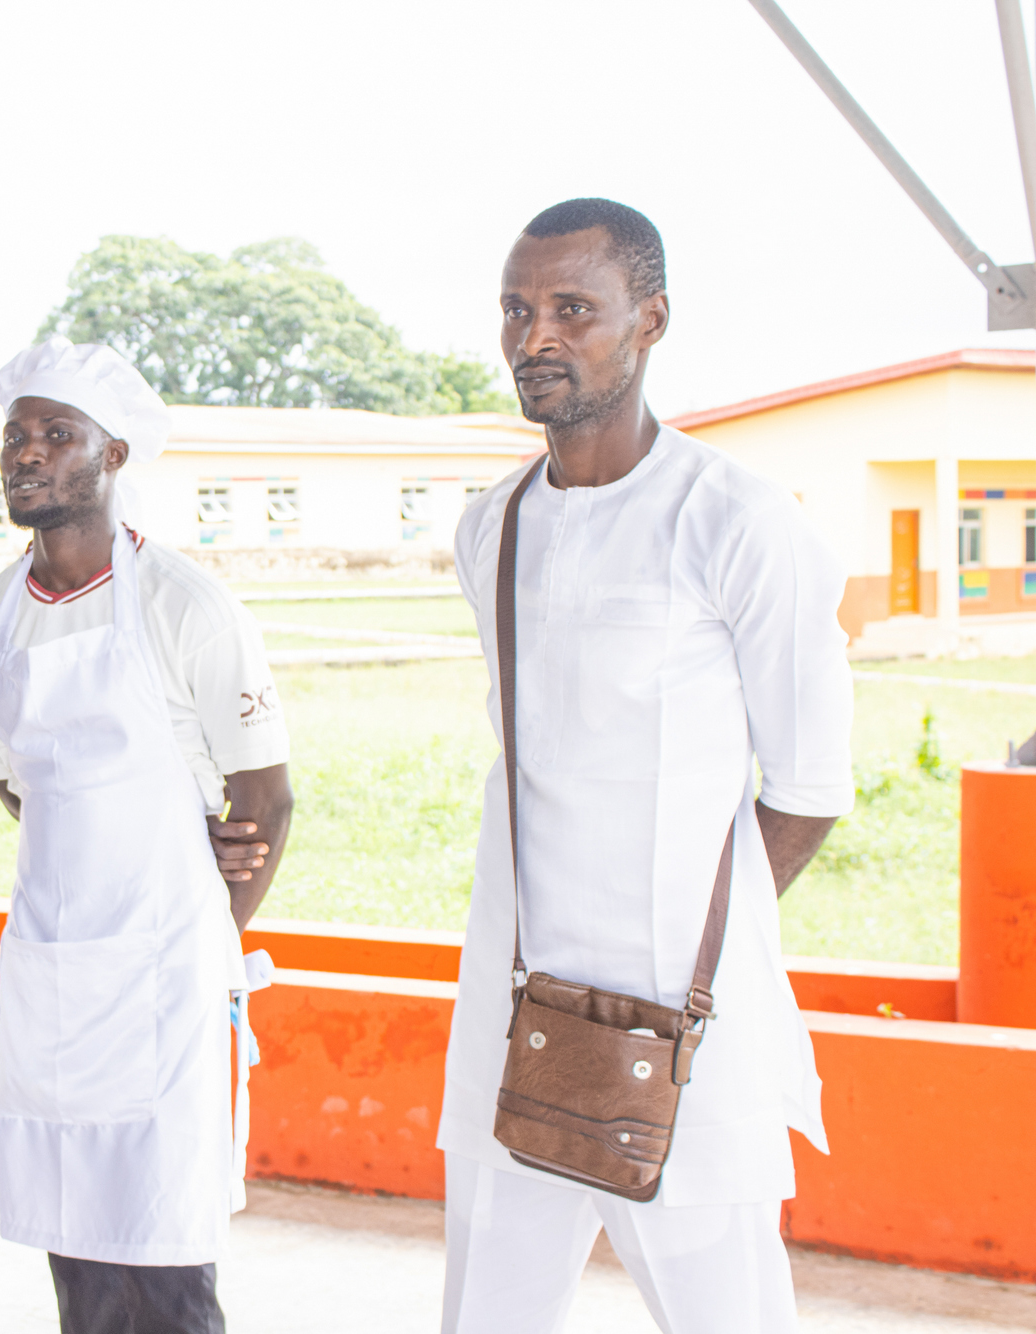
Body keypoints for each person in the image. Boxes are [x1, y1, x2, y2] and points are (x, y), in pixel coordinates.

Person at [437, 198, 854, 1332]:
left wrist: (689, 941)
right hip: (515, 1005)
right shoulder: (491, 526)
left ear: (650, 320)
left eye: (572, 309)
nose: (535, 337)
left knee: (726, 1313)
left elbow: (809, 787)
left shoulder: (736, 519)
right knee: (484, 1311)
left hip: (683, 1028)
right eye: (516, 310)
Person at [0, 337, 295, 1334]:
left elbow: (265, 797)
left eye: (57, 433)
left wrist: (199, 931)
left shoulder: (185, 605)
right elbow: (19, 785)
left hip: (166, 982)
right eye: (15, 435)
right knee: (79, 1262)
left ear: (111, 456)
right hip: (54, 971)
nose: (26, 452)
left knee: (168, 1263)